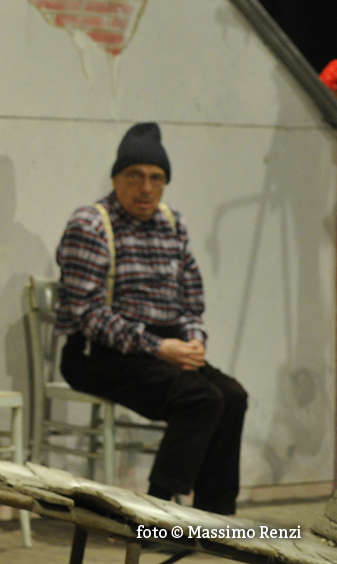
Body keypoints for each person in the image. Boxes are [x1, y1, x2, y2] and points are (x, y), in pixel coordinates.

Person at [55, 122, 247, 514]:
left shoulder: (171, 223)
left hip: (163, 350)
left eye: (156, 178)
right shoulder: (91, 225)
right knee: (199, 399)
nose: (146, 188)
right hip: (100, 354)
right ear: (116, 179)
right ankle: (157, 514)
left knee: (232, 395)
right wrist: (158, 347)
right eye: (135, 176)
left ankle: (215, 517)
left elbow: (191, 300)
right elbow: (87, 313)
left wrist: (194, 341)